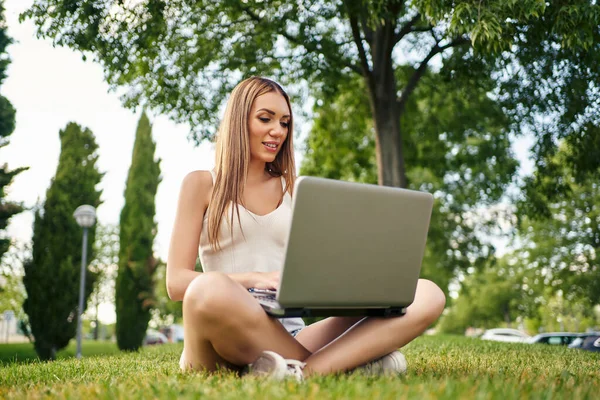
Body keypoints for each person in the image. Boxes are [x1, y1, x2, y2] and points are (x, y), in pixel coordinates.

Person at [166, 76, 446, 380]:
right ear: (238, 121)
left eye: (285, 123)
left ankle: (302, 372)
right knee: (207, 289)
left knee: (426, 293)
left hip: (290, 335)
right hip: (220, 334)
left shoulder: (296, 190)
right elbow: (177, 283)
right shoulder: (201, 183)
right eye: (266, 119)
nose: (278, 131)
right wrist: (254, 279)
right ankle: (347, 367)